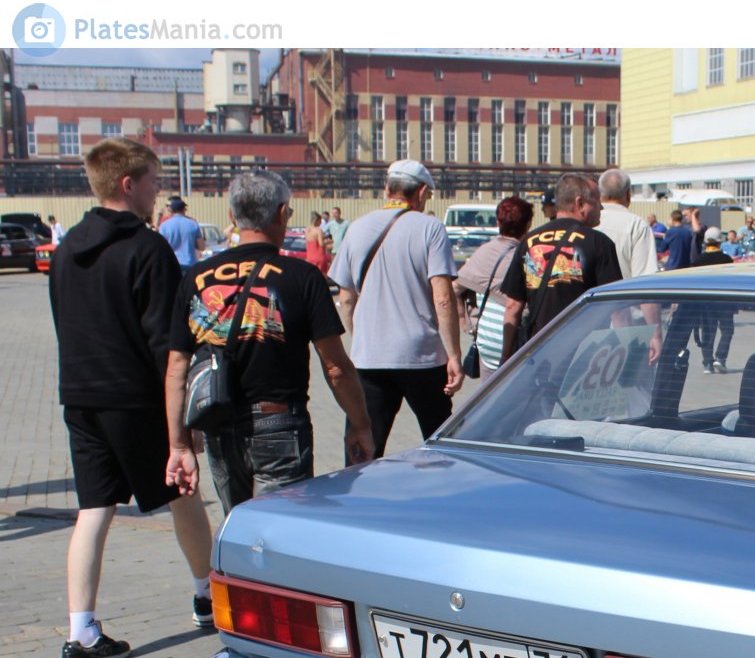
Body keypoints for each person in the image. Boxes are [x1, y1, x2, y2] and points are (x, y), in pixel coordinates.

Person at [48, 138, 214, 658]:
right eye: (153, 181)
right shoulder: (148, 249)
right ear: (128, 184)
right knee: (181, 488)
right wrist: (182, 428)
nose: (158, 191)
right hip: (136, 396)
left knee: (93, 510)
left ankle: (80, 633)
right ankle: (207, 596)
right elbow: (168, 344)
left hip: (81, 393)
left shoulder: (68, 246)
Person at [163, 170, 374, 514]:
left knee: (240, 530)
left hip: (217, 420)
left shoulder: (196, 278)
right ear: (280, 214)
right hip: (280, 425)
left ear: (231, 217)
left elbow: (176, 368)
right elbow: (336, 368)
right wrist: (360, 424)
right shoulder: (302, 277)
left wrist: (179, 445)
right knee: (280, 536)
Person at [329, 159, 464, 457]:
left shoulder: (357, 228)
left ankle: (356, 498)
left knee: (365, 443)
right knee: (442, 444)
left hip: (370, 357)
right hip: (422, 356)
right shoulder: (430, 228)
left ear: (387, 189)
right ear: (422, 192)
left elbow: (346, 297)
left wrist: (360, 336)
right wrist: (454, 354)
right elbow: (443, 297)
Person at [499, 173, 625, 362]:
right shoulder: (599, 243)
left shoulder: (529, 241)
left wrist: (506, 356)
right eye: (597, 201)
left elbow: (513, 306)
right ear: (580, 203)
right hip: (585, 356)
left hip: (539, 352)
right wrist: (626, 351)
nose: (601, 207)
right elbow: (617, 308)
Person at [455, 195, 534, 382]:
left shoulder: (483, 251)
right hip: (515, 344)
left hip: (486, 343)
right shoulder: (527, 257)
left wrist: (465, 322)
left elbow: (454, 289)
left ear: (498, 221)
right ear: (528, 224)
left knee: (491, 402)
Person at [596, 168, 659, 280]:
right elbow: (645, 277)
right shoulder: (637, 225)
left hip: (588, 296)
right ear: (628, 194)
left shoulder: (588, 222)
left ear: (599, 194)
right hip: (623, 295)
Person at [690, 227, 735, 373]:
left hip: (705, 302)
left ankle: (707, 363)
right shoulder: (726, 260)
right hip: (724, 301)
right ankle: (720, 358)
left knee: (708, 332)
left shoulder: (698, 260)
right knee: (727, 330)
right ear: (719, 243)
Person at [158, 196, 204, 267]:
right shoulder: (193, 224)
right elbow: (202, 247)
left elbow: (161, 248)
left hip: (172, 264)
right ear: (183, 209)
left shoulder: (164, 225)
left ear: (171, 210)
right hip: (190, 264)